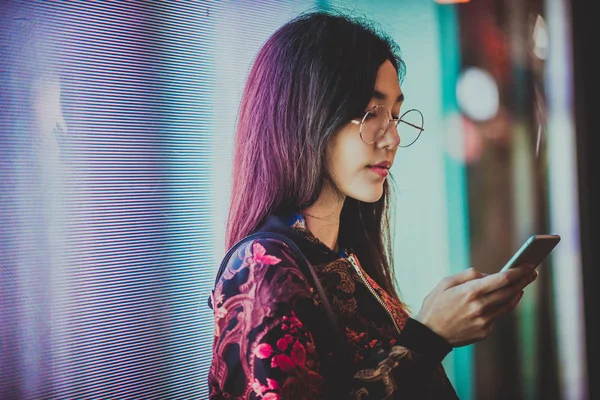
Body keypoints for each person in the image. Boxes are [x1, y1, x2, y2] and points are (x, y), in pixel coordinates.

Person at [208, 11, 537, 400]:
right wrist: (428, 338)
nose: (393, 137)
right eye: (371, 112)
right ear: (306, 114)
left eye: (395, 115)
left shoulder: (345, 260)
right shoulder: (261, 265)